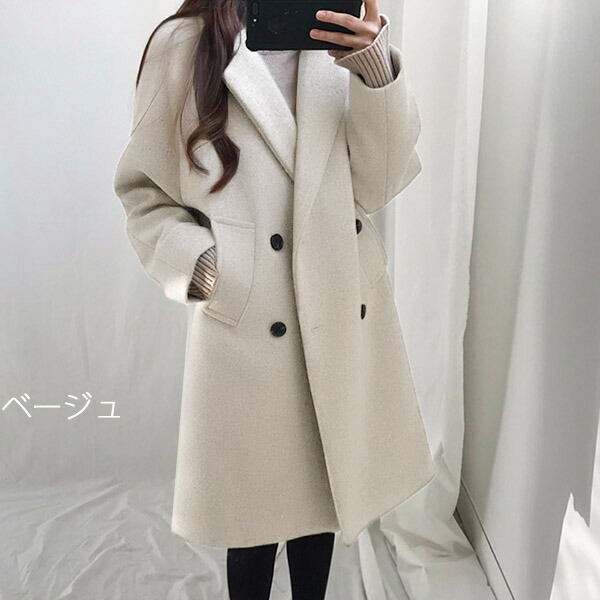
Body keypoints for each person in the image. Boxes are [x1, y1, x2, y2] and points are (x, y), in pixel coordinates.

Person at [113, 1, 436, 598]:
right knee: (253, 519)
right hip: (249, 324)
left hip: (336, 306)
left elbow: (380, 183)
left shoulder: (340, 47)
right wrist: (204, 267)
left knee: (323, 501)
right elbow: (143, 194)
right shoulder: (184, 46)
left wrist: (372, 67)